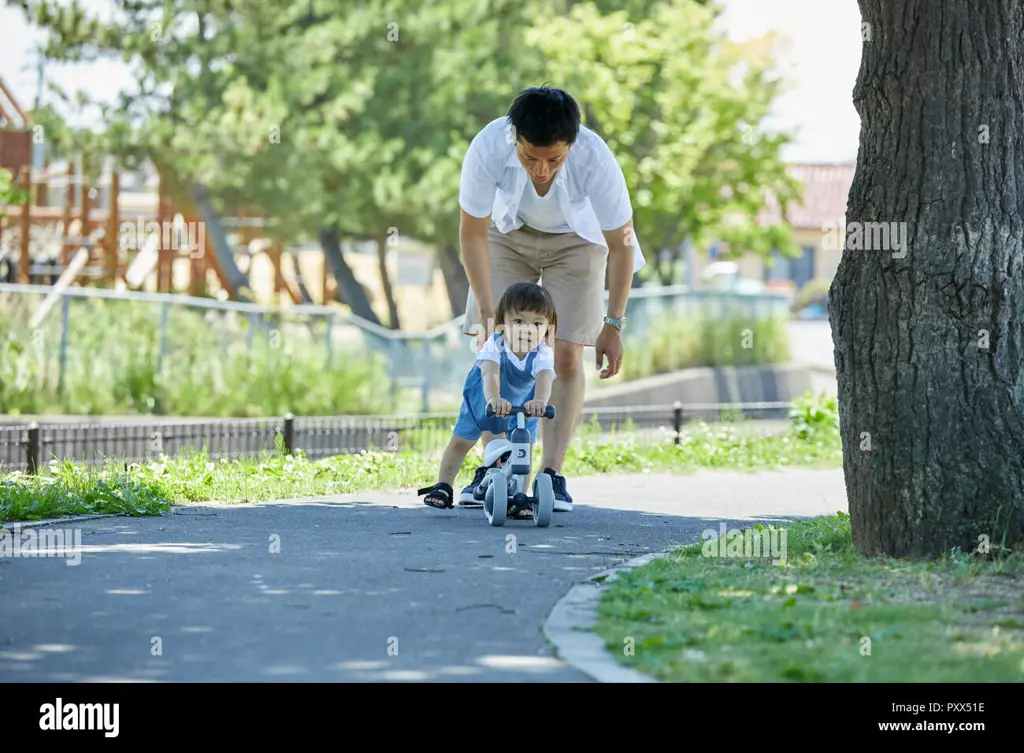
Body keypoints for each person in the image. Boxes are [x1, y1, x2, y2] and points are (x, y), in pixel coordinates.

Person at [456, 84, 645, 512]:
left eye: (554, 159)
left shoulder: (595, 159)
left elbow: (623, 243)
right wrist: (488, 311)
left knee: (564, 356)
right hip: (507, 234)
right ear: (514, 138)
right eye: (530, 158)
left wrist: (613, 325)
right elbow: (470, 233)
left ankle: (551, 473)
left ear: (571, 146)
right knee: (498, 345)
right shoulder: (487, 148)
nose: (541, 170)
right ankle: (496, 464)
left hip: (578, 241)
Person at [418, 281, 557, 519]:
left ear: (547, 329)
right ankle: (444, 485)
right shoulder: (495, 344)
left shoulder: (543, 353)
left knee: (524, 448)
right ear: (502, 325)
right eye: (519, 321)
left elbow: (545, 378)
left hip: (523, 405)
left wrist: (540, 401)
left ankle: (519, 498)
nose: (527, 329)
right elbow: (490, 373)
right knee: (462, 440)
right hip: (484, 399)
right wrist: (494, 398)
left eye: (537, 323)